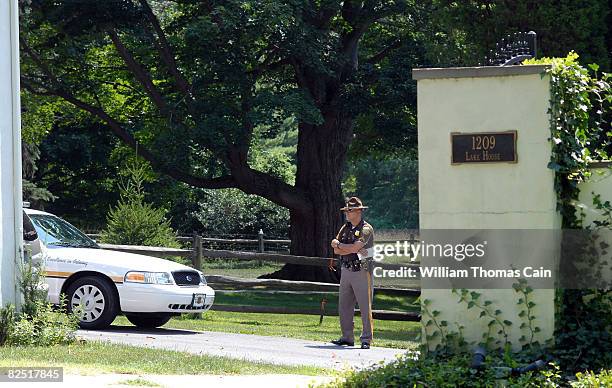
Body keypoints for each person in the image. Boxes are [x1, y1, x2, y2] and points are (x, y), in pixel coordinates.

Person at [329, 197, 375, 349]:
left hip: (362, 270)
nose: (347, 213)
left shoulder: (366, 229)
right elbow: (334, 248)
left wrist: (341, 246)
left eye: (351, 210)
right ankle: (347, 337)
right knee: (344, 305)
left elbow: (355, 248)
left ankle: (366, 339)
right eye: (347, 210)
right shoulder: (345, 228)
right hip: (346, 269)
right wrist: (344, 247)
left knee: (364, 306)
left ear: (359, 211)